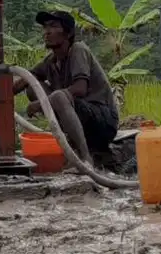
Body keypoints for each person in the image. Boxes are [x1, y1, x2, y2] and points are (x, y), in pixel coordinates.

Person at [14, 10, 120, 167]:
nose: (47, 32)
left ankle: (84, 159)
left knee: (57, 97)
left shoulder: (78, 50)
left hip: (103, 122)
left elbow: (80, 89)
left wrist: (39, 104)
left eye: (53, 26)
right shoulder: (51, 61)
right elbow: (19, 84)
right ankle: (73, 144)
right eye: (45, 27)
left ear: (68, 33)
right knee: (33, 87)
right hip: (80, 116)